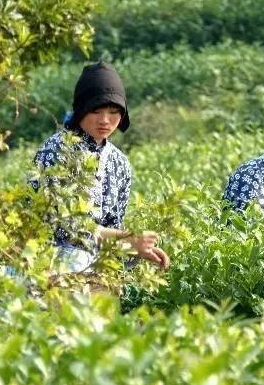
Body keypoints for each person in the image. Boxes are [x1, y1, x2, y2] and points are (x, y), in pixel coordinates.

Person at [31, 62, 169, 273]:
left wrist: (137, 249)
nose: (105, 120)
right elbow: (65, 229)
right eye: (96, 111)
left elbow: (112, 228)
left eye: (113, 111)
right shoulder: (57, 151)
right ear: (81, 110)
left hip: (95, 269)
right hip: (48, 267)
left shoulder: (119, 162)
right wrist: (128, 240)